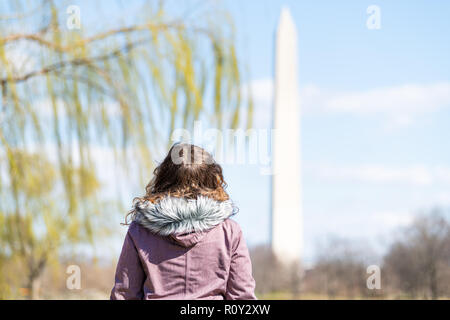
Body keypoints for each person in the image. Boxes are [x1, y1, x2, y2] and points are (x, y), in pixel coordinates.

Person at [110, 143, 256, 300]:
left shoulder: (140, 231)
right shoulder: (229, 232)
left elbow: (125, 295)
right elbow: (242, 298)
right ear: (211, 180)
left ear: (164, 178)